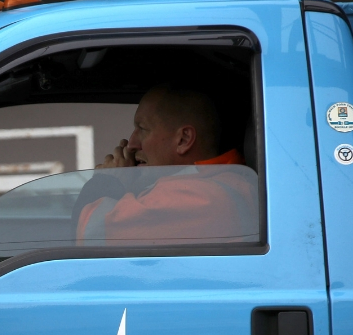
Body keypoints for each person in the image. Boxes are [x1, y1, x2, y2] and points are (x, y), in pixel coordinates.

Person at [75, 83, 256, 246]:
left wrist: (107, 181)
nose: (131, 143)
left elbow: (86, 235)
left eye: (143, 129)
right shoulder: (224, 182)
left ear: (183, 139)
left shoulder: (196, 196)